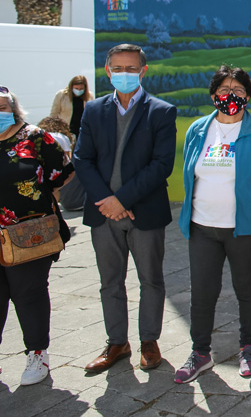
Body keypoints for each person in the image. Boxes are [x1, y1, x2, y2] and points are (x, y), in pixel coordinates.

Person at [174, 65, 251, 383]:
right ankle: (200, 352)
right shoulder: (198, 129)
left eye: (238, 90)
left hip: (245, 228)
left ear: (248, 96)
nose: (231, 96)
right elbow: (189, 172)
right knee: (202, 291)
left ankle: (248, 347)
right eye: (224, 90)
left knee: (246, 287)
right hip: (202, 226)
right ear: (213, 96)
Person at [73, 44, 177, 374]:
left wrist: (122, 200)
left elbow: (161, 165)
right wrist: (107, 201)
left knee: (151, 280)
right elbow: (82, 158)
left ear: (143, 71)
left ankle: (149, 341)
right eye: (118, 68)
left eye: (131, 69)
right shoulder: (94, 110)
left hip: (144, 212)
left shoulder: (161, 111)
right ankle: (117, 342)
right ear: (107, 71)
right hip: (103, 214)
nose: (124, 74)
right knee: (110, 282)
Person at [0, 87, 73, 385]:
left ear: (14, 109)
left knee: (28, 293)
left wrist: (46, 197)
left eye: (2, 107)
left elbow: (63, 170)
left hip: (28, 231)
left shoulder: (34, 136)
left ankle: (37, 354)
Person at [50, 74, 94, 139]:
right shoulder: (61, 95)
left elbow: (92, 114)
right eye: (76, 88)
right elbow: (53, 114)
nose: (79, 91)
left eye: (81, 89)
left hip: (83, 131)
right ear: (71, 87)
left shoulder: (89, 96)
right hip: (65, 131)